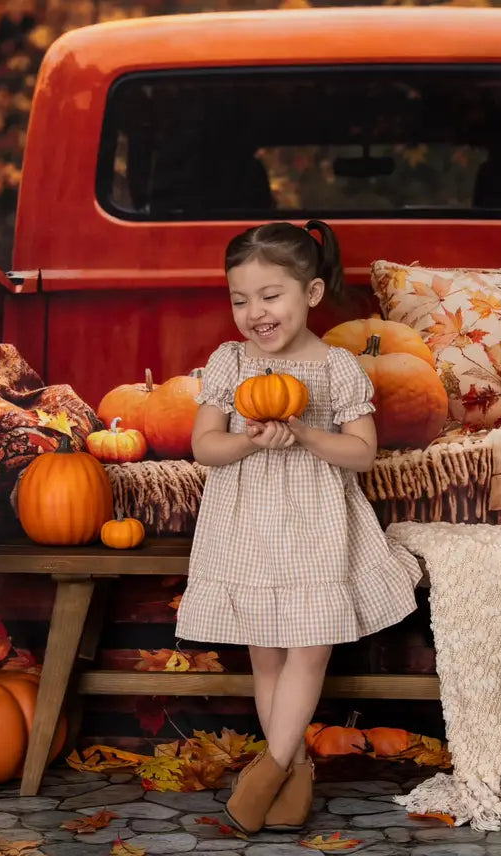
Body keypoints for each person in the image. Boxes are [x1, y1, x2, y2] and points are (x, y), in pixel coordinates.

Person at [174, 220, 423, 835]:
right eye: (240, 299)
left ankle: (268, 768)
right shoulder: (229, 362)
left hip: (316, 527)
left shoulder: (337, 367)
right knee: (267, 657)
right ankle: (298, 771)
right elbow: (203, 446)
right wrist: (250, 443)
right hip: (247, 525)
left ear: (310, 294)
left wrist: (306, 433)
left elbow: (363, 453)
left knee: (309, 652)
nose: (254, 312)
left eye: (270, 295)